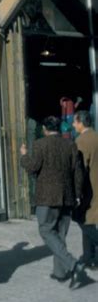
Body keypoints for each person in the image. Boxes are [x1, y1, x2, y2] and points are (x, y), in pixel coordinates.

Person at [20, 115, 86, 287]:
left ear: (44, 129)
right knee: (60, 234)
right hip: (67, 197)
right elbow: (77, 172)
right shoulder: (71, 144)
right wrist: (77, 195)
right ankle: (60, 272)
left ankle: (72, 264)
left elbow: (32, 167)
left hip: (47, 198)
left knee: (46, 231)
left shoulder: (40, 144)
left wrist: (24, 156)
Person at [73, 110, 98, 269]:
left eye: (75, 122)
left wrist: (76, 191)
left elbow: (80, 168)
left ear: (81, 123)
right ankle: (90, 258)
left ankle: (91, 256)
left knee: (82, 219)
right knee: (88, 220)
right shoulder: (96, 136)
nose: (73, 125)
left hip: (88, 187)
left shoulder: (81, 141)